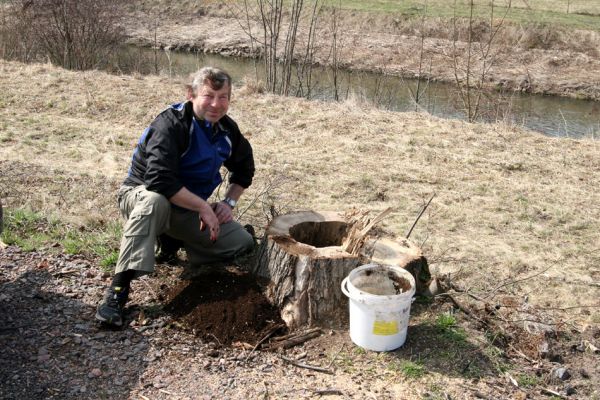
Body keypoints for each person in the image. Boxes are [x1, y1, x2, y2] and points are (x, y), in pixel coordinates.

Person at [96, 66, 255, 327]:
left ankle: (172, 242)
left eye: (223, 96)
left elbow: (245, 169)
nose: (216, 104)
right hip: (140, 196)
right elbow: (159, 180)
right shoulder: (171, 124)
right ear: (190, 94)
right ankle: (117, 291)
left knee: (242, 242)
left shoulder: (226, 130)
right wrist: (203, 206)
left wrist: (228, 203)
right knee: (155, 201)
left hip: (186, 206)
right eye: (208, 95)